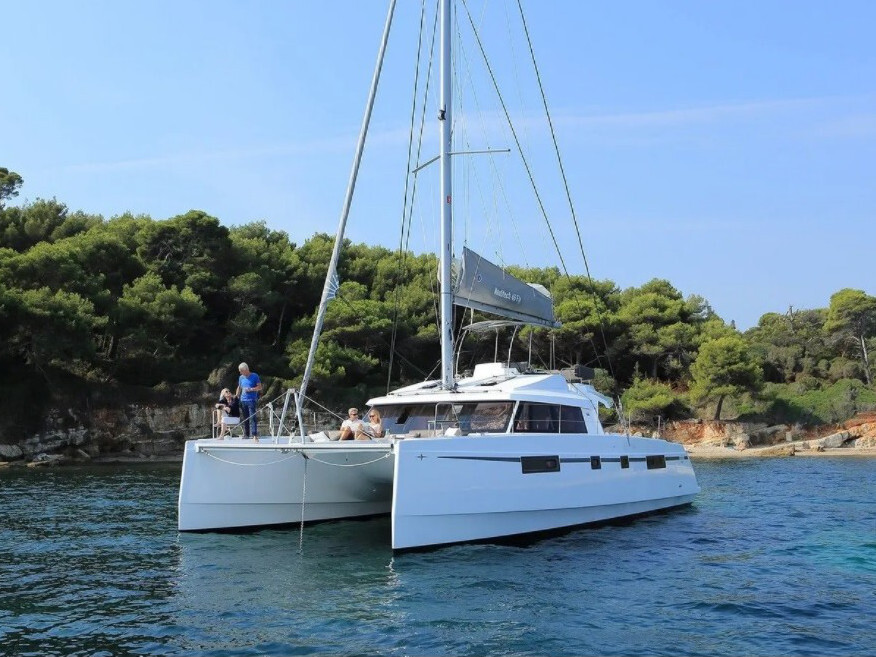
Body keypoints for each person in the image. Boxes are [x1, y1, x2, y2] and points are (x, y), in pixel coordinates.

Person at [235, 362, 262, 440]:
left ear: (246, 370)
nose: (240, 373)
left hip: (251, 400)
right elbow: (239, 387)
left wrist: (251, 389)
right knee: (245, 418)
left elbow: (260, 387)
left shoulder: (255, 376)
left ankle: (254, 434)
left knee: (253, 417)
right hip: (243, 400)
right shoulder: (241, 377)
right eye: (240, 371)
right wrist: (236, 395)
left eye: (241, 371)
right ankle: (246, 434)